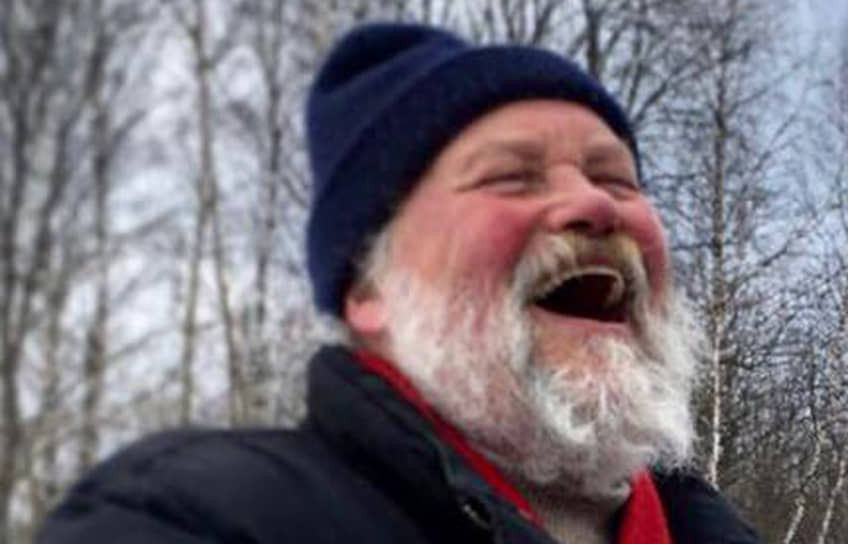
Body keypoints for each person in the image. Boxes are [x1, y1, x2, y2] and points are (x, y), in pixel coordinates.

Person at [39, 23, 759, 544]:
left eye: (616, 178)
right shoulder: (191, 517)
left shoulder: (715, 530)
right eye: (513, 177)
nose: (595, 205)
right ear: (368, 287)